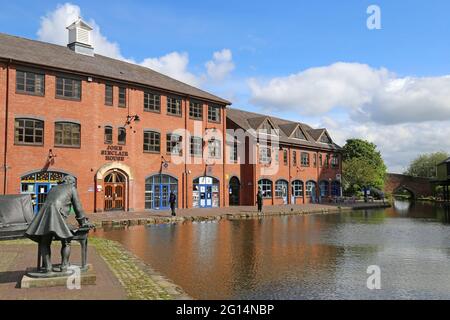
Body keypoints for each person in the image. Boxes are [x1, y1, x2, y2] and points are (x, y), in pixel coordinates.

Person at [25, 175, 91, 273]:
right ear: (69, 181)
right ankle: (64, 266)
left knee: (45, 242)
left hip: (45, 218)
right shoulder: (71, 188)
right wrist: (83, 222)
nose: (73, 184)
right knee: (66, 241)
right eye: (73, 182)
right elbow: (78, 208)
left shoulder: (53, 189)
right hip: (58, 217)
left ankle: (48, 267)